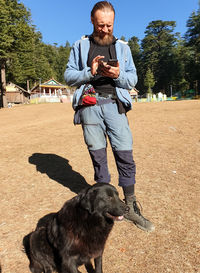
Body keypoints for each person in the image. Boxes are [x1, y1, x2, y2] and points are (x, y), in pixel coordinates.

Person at [64, 1, 155, 232]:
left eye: (109, 25)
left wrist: (118, 74)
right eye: (100, 25)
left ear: (114, 22)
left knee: (125, 154)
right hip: (90, 107)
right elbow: (68, 75)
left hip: (115, 106)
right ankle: (104, 209)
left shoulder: (123, 47)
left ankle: (131, 206)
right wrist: (90, 71)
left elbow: (132, 79)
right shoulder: (80, 45)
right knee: (99, 159)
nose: (105, 29)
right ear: (92, 21)